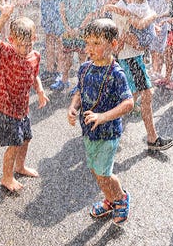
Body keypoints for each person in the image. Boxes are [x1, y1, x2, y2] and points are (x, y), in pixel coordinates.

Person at [67, 18, 134, 226]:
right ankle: (110, 198)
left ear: (113, 44)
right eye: (88, 43)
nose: (90, 48)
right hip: (89, 131)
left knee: (103, 172)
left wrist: (102, 117)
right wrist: (73, 107)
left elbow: (129, 103)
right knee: (97, 171)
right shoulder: (85, 68)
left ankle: (120, 198)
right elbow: (79, 89)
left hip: (108, 133)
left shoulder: (116, 73)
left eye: (97, 43)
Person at [104, 0, 173, 151]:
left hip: (134, 57)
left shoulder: (133, 6)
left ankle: (108, 128)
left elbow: (145, 19)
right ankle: (149, 137)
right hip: (130, 58)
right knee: (139, 96)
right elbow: (127, 30)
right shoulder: (122, 7)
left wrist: (151, 21)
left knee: (132, 97)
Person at [0, 0, 49, 192]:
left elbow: (34, 75)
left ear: (34, 38)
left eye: (28, 45)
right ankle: (7, 177)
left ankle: (20, 167)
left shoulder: (35, 56)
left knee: (26, 138)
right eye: (20, 45)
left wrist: (39, 91)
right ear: (12, 40)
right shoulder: (7, 52)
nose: (24, 49)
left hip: (22, 107)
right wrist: (4, 17)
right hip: (5, 106)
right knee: (14, 144)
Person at [52, 0, 97, 91]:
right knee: (66, 55)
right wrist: (66, 26)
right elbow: (62, 6)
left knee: (83, 57)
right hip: (68, 28)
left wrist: (80, 28)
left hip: (82, 30)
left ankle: (81, 84)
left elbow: (91, 13)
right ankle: (64, 80)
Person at [31, 0, 73, 81]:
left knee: (60, 37)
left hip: (58, 2)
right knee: (49, 35)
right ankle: (49, 69)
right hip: (46, 2)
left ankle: (60, 71)